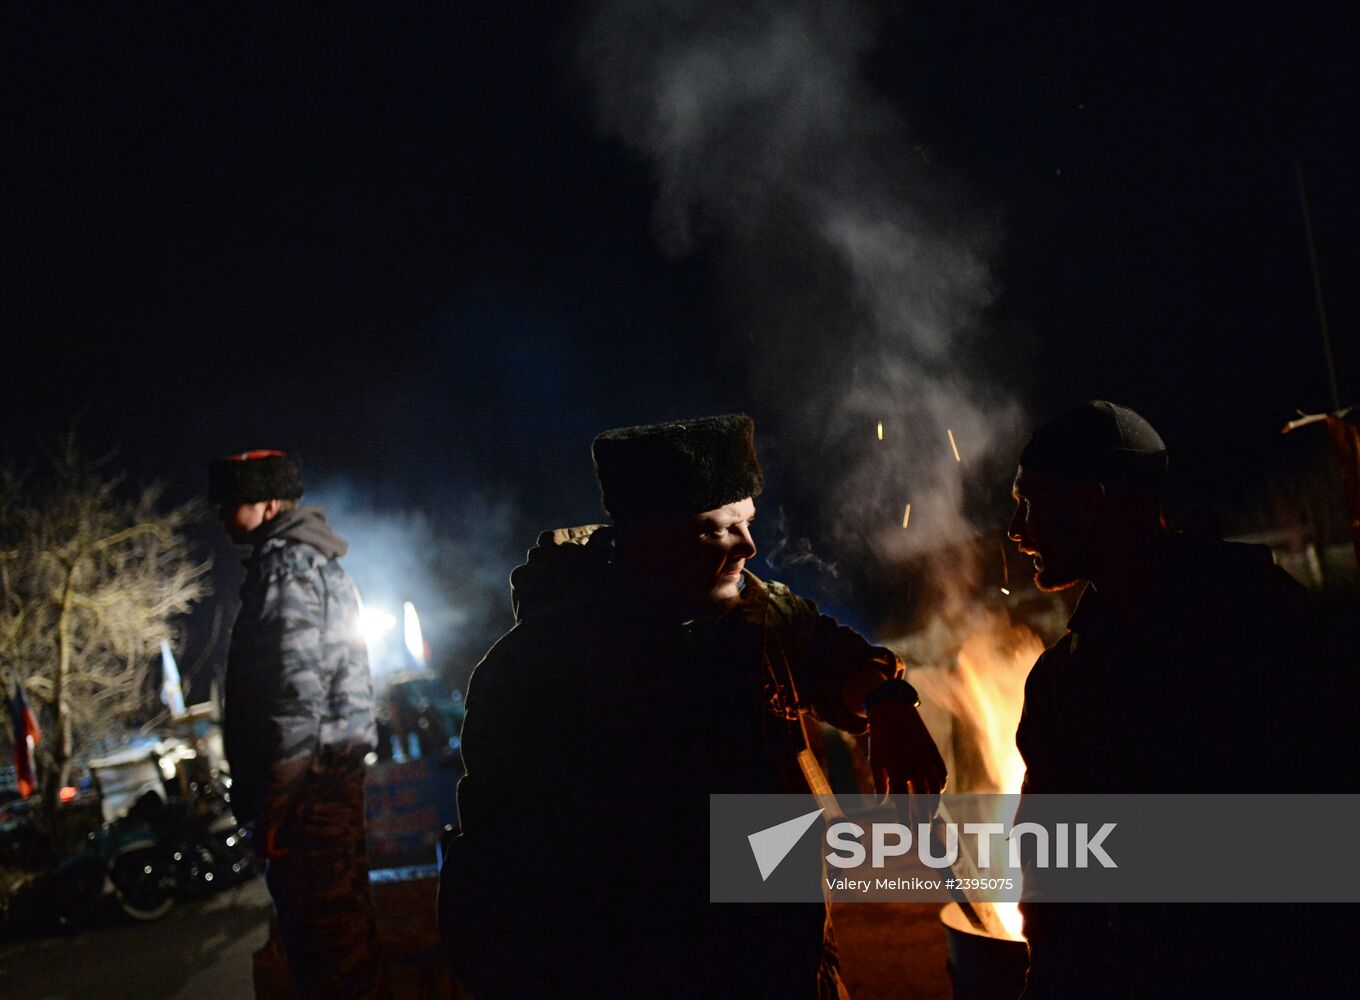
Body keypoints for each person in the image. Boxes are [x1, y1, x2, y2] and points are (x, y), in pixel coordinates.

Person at [439, 414, 946, 999]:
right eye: (717, 531)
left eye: (747, 523)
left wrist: (888, 701)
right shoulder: (538, 670)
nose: (749, 548)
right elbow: (497, 884)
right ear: (648, 539)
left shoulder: (757, 618)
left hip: (787, 966)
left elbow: (838, 657)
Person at [1006, 400, 1351, 999]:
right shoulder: (1060, 679)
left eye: (1029, 502)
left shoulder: (1262, 624)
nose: (1015, 530)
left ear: (1091, 502)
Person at [209, 449, 387, 999]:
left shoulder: (287, 566)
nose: (219, 513)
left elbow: (292, 696)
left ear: (266, 505)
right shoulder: (315, 563)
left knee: (329, 959)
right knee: (344, 953)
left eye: (230, 501)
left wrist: (275, 805)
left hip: (310, 796)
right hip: (326, 787)